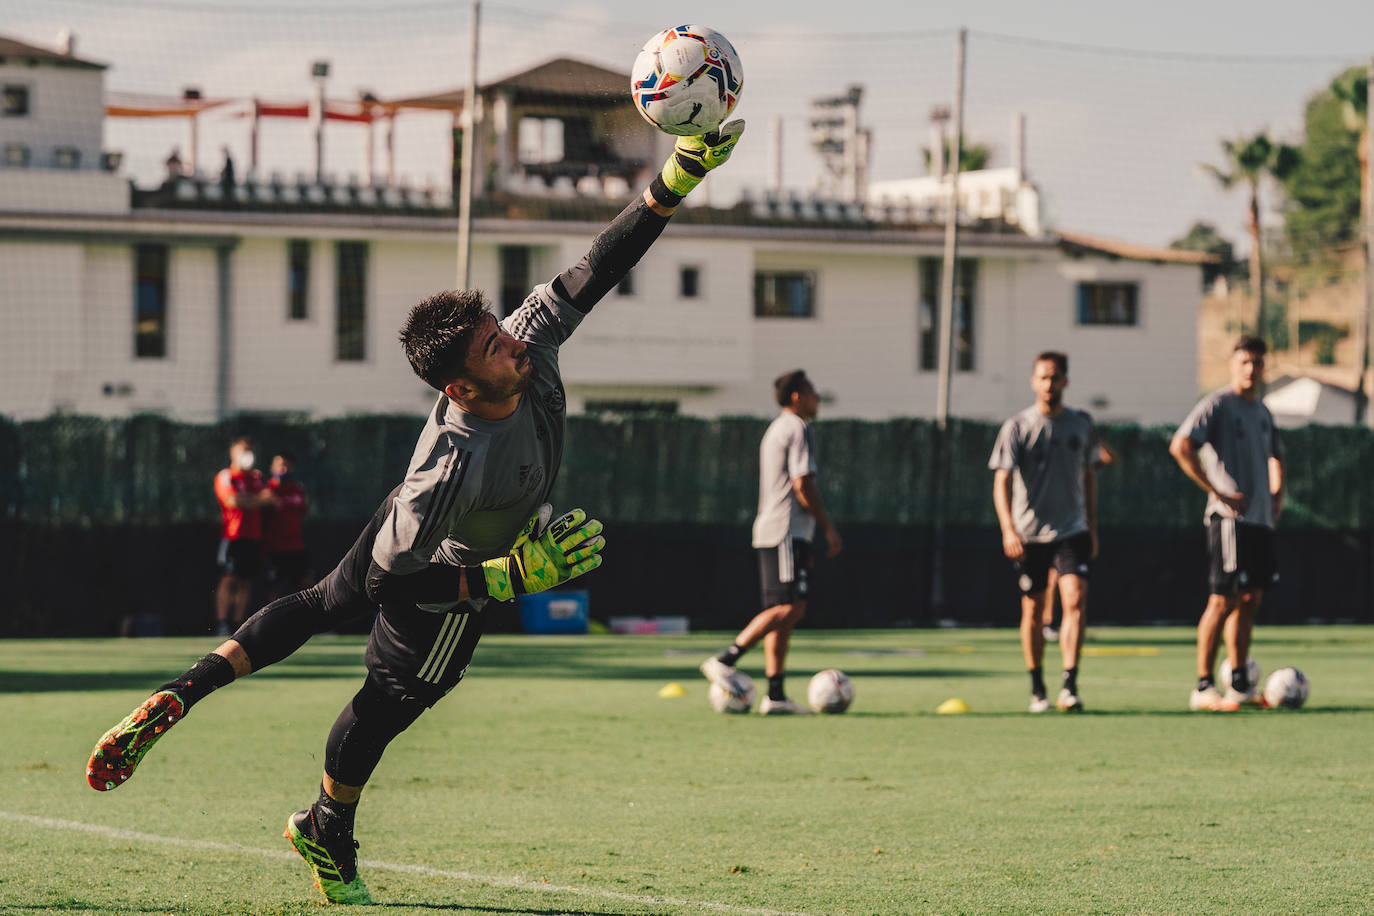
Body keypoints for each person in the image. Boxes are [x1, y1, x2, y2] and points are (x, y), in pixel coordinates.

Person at [85, 121, 746, 905]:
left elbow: (597, 267)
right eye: (495, 350)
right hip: (443, 559)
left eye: (500, 330)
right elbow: (396, 586)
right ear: (457, 390)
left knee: (325, 597)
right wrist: (496, 580)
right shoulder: (452, 468)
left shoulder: (524, 342)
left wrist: (673, 180)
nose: (515, 346)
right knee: (398, 692)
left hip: (414, 524)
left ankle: (185, 691)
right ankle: (326, 828)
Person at [700, 369, 843, 715]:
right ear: (796, 396)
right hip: (785, 531)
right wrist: (828, 527)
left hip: (776, 530)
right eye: (812, 391)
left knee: (782, 615)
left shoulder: (778, 427)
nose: (817, 398)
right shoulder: (797, 427)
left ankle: (775, 695)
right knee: (792, 608)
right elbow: (802, 484)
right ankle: (725, 659)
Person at [1169, 336, 1284, 712]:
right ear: (1233, 365)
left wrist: (1276, 496)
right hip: (1229, 520)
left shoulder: (1263, 412)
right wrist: (1216, 492)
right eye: (1244, 362)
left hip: (1260, 521)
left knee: (1250, 600)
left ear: (1264, 367)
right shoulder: (1218, 404)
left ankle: (1239, 684)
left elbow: (1275, 457)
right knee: (1223, 598)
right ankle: (1203, 687)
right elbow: (1181, 445)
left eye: (1256, 363)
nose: (1250, 369)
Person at [989, 351, 1098, 713]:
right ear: (1034, 382)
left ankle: (1070, 684)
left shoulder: (1081, 424)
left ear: (1066, 381)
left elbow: (1089, 475)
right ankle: (1038, 688)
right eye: (1043, 378)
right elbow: (1001, 481)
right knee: (1033, 611)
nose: (1049, 384)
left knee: (1075, 600)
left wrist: (1092, 527)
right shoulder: (1017, 426)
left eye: (1055, 377)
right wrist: (1008, 529)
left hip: (1072, 530)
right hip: (1029, 534)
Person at [1040, 439, 1116, 643]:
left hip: (1075, 528)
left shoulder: (1082, 464)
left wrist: (1092, 436)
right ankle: (1046, 623)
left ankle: (1066, 623)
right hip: (1047, 526)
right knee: (1051, 577)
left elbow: (1110, 458)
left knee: (1072, 585)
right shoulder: (1051, 467)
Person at [213, 438, 274, 636]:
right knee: (229, 579)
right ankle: (223, 622)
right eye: (243, 451)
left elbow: (269, 498)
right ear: (233, 454)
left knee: (246, 581)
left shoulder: (257, 477)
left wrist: (248, 500)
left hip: (253, 537)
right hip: (232, 537)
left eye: (249, 450)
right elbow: (232, 501)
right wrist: (254, 500)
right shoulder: (226, 476)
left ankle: (237, 624)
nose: (247, 455)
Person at [264, 451, 312, 600]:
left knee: (307, 584)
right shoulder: (267, 490)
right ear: (272, 468)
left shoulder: (298, 489)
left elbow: (303, 511)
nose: (283, 469)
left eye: (286, 465)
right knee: (275, 588)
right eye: (279, 465)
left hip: (296, 546)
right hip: (275, 548)